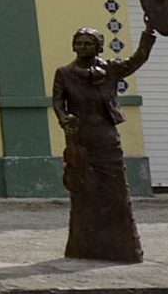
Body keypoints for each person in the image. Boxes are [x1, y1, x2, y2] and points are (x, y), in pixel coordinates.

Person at [53, 25, 157, 263]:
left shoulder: (110, 69)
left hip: (106, 137)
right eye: (79, 43)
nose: (83, 47)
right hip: (80, 139)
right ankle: (83, 247)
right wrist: (64, 118)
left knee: (115, 192)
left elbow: (137, 60)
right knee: (83, 193)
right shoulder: (64, 73)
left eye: (88, 43)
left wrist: (148, 34)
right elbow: (58, 102)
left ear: (99, 46)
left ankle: (122, 248)